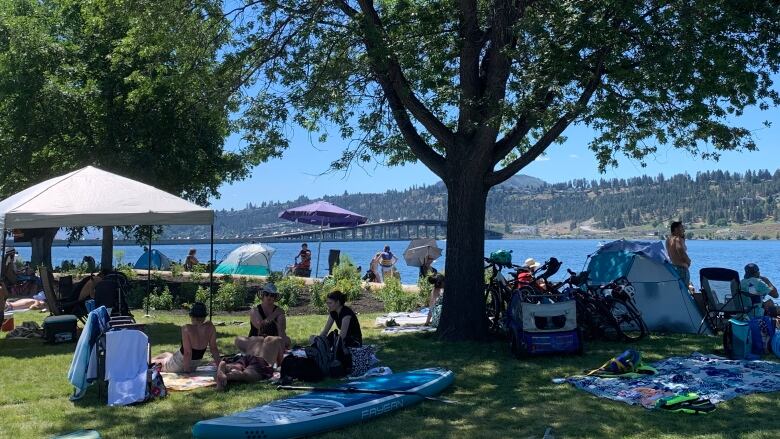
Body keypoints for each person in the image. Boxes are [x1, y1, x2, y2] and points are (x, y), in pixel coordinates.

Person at [152, 302, 220, 373]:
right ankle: (149, 359)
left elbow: (187, 353)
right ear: (204, 316)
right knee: (166, 354)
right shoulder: (210, 327)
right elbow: (214, 349)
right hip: (194, 365)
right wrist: (219, 366)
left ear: (191, 316)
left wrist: (187, 373)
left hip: (181, 364)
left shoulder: (186, 329)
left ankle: (145, 361)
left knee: (158, 362)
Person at [666, 221, 692, 288]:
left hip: (673, 268)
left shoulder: (668, 239)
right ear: (676, 229)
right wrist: (688, 261)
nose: (684, 230)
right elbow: (680, 250)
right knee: (683, 292)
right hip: (682, 269)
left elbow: (669, 254)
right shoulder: (678, 239)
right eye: (682, 228)